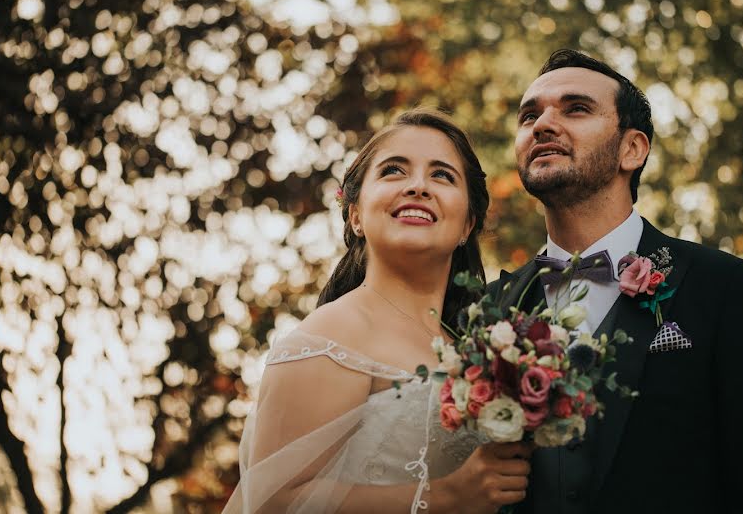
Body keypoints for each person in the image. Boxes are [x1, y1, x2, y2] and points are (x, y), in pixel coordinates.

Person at [488, 49, 743, 513]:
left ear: (632, 149)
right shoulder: (491, 309)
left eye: (576, 108)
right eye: (529, 115)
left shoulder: (726, 289)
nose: (542, 124)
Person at [224, 107, 533, 514]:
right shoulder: (332, 334)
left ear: (466, 226)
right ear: (355, 215)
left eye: (441, 175)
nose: (418, 187)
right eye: (393, 171)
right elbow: (273, 503)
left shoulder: (478, 347)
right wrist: (446, 496)